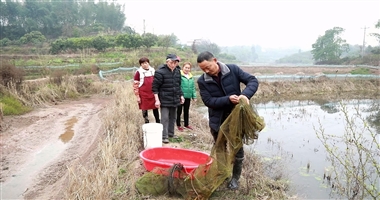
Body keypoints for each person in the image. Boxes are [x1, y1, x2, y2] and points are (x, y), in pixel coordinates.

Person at [196, 51, 259, 190]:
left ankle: (235, 178)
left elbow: (253, 80)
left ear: (215, 60)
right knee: (220, 148)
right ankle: (222, 173)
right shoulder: (202, 81)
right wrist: (228, 99)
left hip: (235, 120)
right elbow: (208, 101)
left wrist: (245, 95)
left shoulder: (233, 70)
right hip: (217, 120)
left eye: (208, 67)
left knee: (238, 150)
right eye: (203, 69)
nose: (207, 71)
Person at [152, 54, 184, 144]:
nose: (173, 64)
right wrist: (157, 100)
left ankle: (171, 133)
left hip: (175, 98)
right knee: (165, 118)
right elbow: (155, 88)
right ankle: (164, 136)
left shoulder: (178, 71)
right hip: (164, 98)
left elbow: (178, 85)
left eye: (175, 62)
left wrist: (181, 95)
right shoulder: (160, 72)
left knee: (173, 117)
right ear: (167, 62)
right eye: (171, 62)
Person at [133, 57, 160, 123]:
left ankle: (158, 121)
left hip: (153, 92)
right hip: (143, 93)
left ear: (148, 63)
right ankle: (146, 121)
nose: (145, 64)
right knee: (144, 108)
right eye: (142, 63)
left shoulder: (153, 70)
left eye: (146, 63)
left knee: (155, 107)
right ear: (140, 65)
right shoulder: (138, 72)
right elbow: (135, 85)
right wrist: (137, 96)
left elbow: (157, 81)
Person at [176, 62, 197, 131]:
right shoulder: (179, 75)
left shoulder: (191, 76)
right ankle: (178, 125)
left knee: (186, 111)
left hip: (188, 97)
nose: (187, 69)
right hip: (180, 96)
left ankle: (186, 124)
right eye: (186, 67)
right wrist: (179, 95)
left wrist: (194, 96)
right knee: (179, 111)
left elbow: (193, 87)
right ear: (183, 67)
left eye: (189, 68)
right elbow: (177, 86)